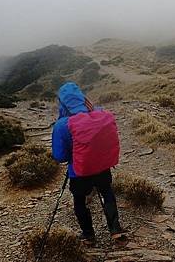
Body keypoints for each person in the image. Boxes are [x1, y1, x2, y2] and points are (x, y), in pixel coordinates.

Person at [51, 82, 125, 244]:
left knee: (79, 201)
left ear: (62, 103)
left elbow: (59, 156)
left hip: (78, 171)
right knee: (107, 193)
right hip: (102, 166)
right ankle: (115, 229)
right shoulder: (99, 113)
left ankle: (88, 235)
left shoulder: (62, 125)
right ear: (82, 97)